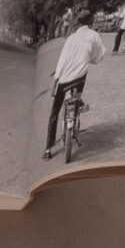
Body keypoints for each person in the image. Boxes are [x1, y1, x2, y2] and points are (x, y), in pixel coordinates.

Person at [45, 9, 105, 159]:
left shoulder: (71, 38)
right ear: (91, 22)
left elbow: (62, 60)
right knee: (78, 95)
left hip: (64, 79)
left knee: (54, 112)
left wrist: (57, 78)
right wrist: (91, 60)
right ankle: (77, 105)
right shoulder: (94, 35)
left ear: (78, 22)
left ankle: (47, 149)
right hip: (79, 78)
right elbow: (99, 55)